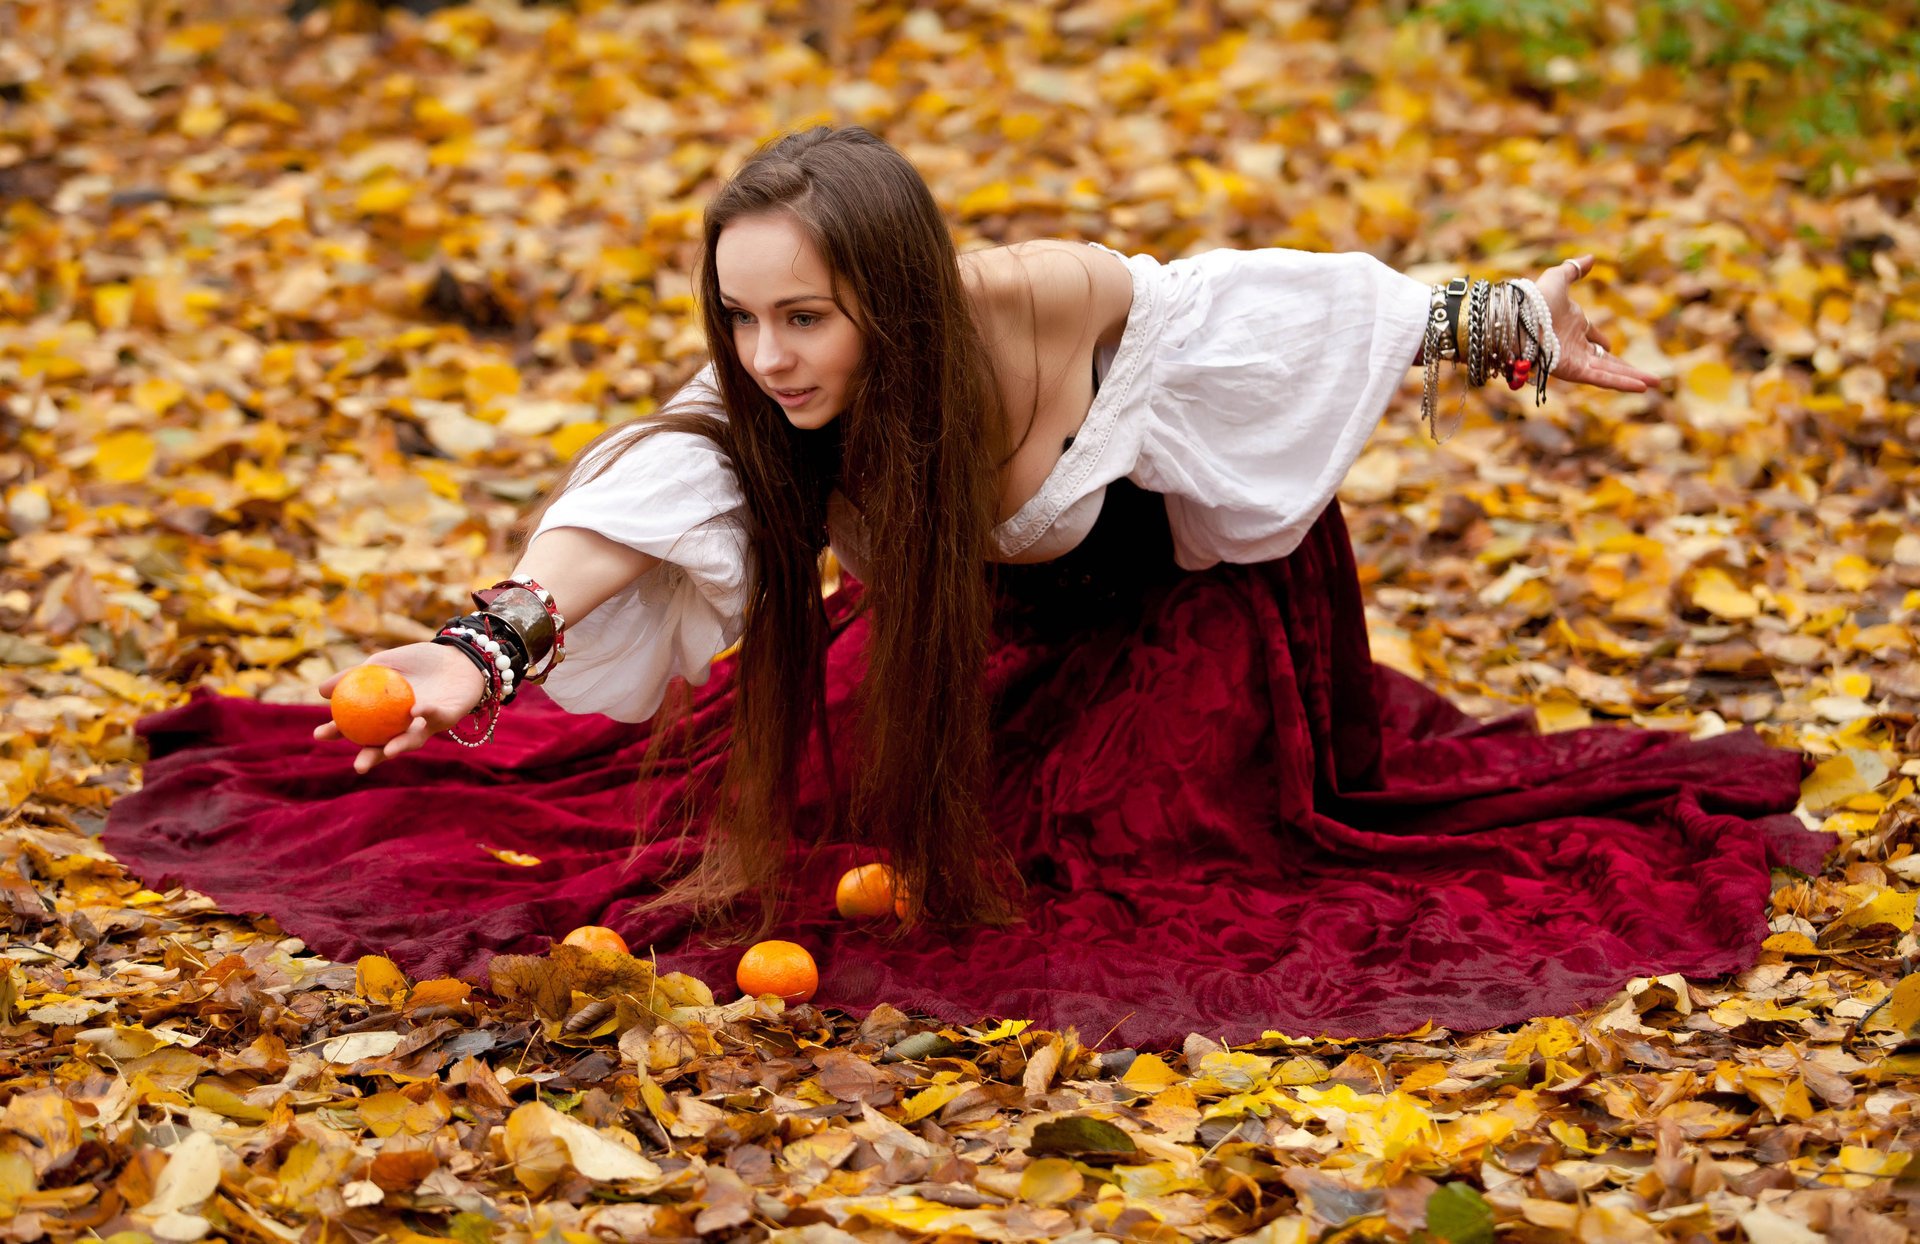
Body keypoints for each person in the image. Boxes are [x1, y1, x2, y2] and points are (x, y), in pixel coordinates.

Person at [106, 126, 1827, 1045]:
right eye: (744, 315)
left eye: (808, 316)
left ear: (902, 295)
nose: (769, 353)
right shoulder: (769, 405)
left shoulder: (1040, 298)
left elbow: (1279, 306)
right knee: (777, 805)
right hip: (992, 629)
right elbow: (653, 487)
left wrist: (1502, 321)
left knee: (1146, 871)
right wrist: (492, 645)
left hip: (1197, 618)